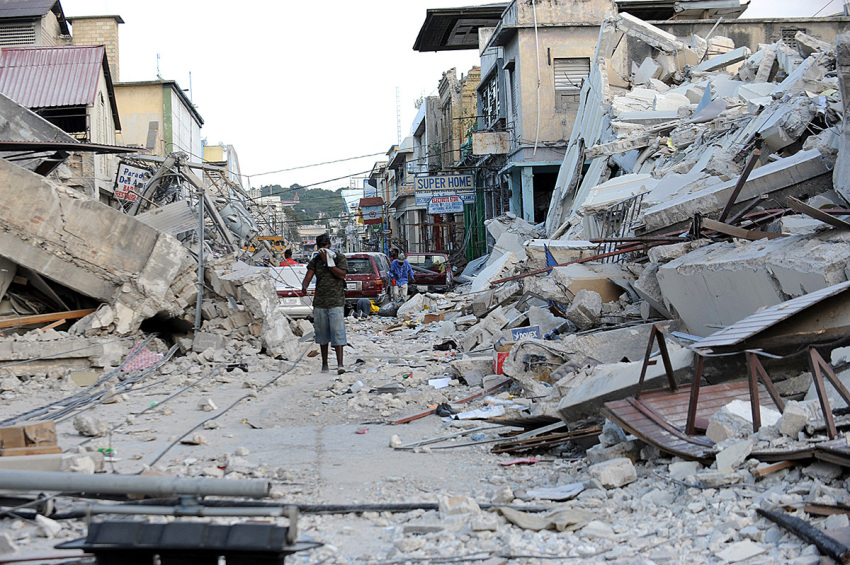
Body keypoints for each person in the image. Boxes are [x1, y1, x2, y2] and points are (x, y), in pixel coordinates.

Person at [301, 233, 348, 374]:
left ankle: (340, 364)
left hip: (336, 301)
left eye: (325, 246)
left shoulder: (339, 258)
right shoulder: (315, 261)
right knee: (322, 335)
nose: (323, 249)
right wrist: (304, 286)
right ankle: (325, 364)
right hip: (320, 302)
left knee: (338, 333)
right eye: (320, 247)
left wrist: (329, 262)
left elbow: (341, 275)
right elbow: (308, 276)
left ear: (330, 246)